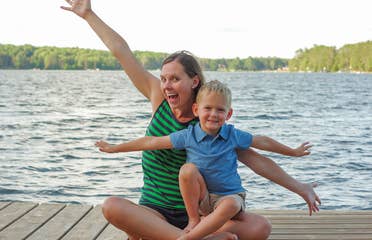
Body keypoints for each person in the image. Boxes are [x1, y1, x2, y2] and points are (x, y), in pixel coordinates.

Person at [61, 1, 321, 239]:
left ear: (194, 81)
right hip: (155, 210)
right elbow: (122, 52)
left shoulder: (211, 123)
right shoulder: (159, 99)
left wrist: (301, 188)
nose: (166, 85)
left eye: (174, 79)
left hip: (197, 217)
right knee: (112, 206)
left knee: (260, 227)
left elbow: (257, 161)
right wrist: (89, 15)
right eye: (163, 79)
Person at [95, 80, 315, 240]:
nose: (213, 114)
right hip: (201, 205)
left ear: (228, 114)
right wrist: (115, 148)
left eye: (220, 110)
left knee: (241, 211)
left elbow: (263, 142)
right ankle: (195, 227)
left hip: (228, 200)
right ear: (196, 109)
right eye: (208, 108)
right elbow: (151, 142)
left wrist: (293, 152)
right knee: (188, 170)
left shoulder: (232, 135)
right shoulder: (188, 135)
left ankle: (187, 238)